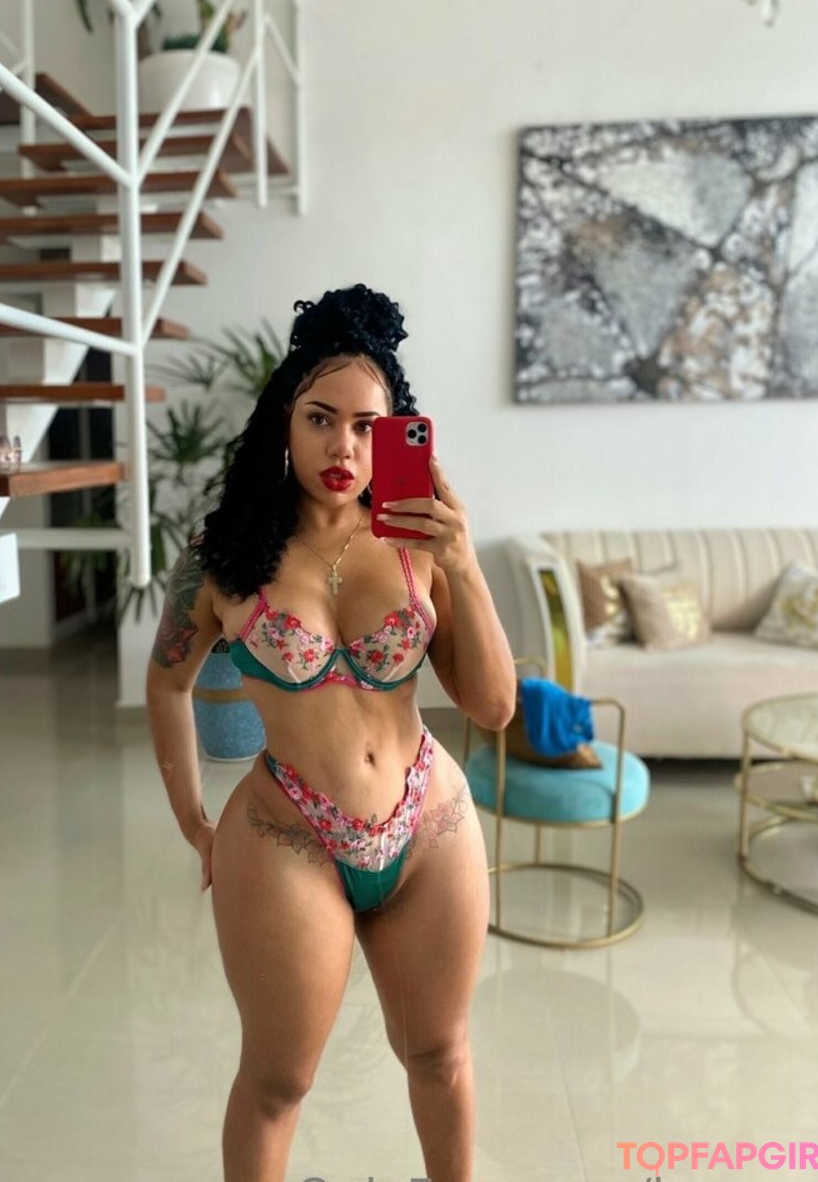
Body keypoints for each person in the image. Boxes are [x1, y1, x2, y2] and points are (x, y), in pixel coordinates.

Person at [146, 284, 516, 1182]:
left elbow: (493, 706)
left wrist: (465, 566)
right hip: (289, 834)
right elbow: (167, 680)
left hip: (428, 822)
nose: (343, 447)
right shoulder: (223, 556)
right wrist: (195, 823)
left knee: (441, 1055)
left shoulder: (421, 542)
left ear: (395, 434)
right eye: (320, 419)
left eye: (366, 426)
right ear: (284, 421)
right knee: (278, 1081)